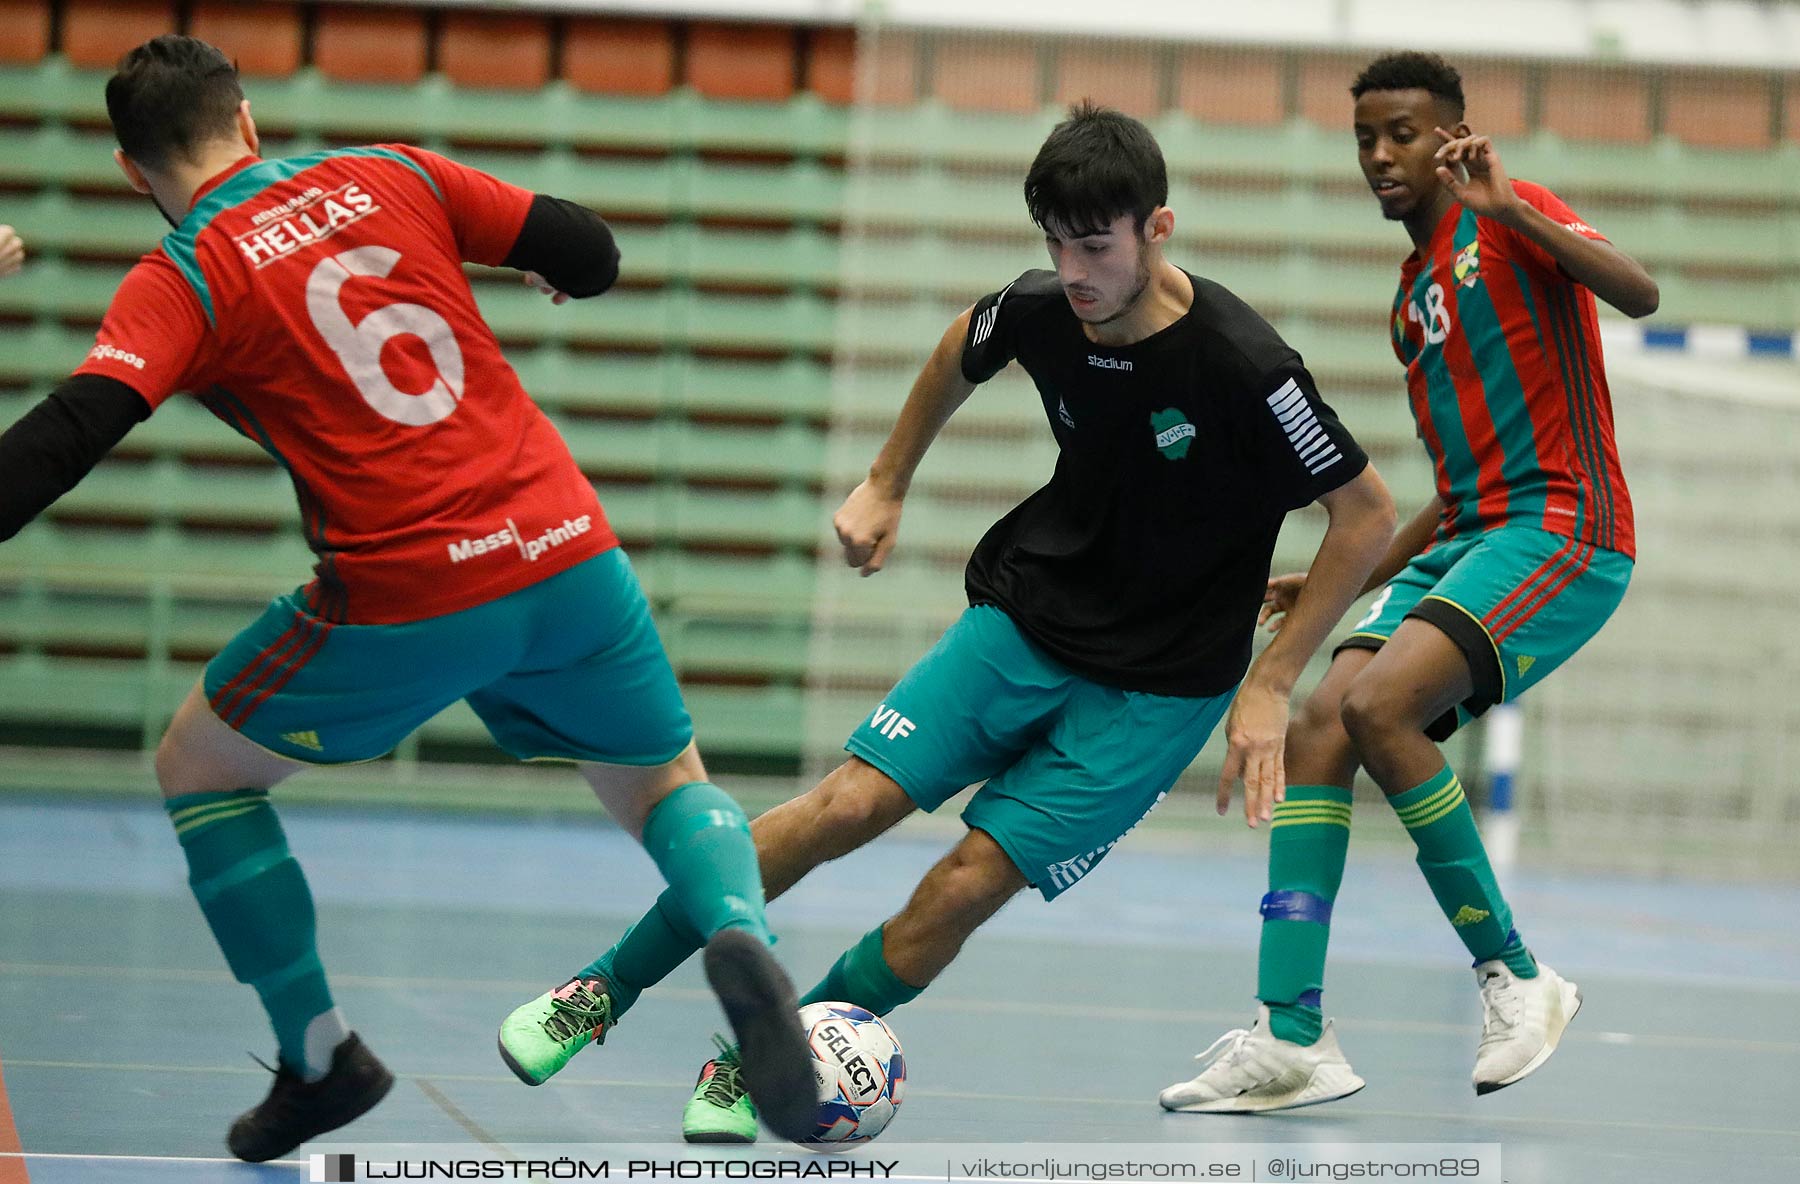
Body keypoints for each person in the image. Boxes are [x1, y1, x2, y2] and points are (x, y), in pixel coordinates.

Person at [494, 100, 1398, 1143]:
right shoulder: (1040, 307)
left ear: (1159, 227)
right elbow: (960, 347)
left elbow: (1365, 513)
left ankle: (768, 1058)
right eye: (1055, 244)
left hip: (1157, 691)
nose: (1073, 270)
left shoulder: (1247, 367)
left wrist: (1273, 680)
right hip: (1028, 617)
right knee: (843, 805)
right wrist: (886, 480)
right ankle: (599, 991)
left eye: (1096, 245)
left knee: (963, 882)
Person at [0, 35, 817, 1160]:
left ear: (131, 172)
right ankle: (738, 929)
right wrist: (553, 269)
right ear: (246, 119)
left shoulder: (184, 271)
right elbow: (588, 250)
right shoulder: (393, 172)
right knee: (667, 784)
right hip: (568, 541)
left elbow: (69, 435)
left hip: (412, 584)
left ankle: (322, 1054)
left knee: (199, 764)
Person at [1159, 50, 1658, 1114]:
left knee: (1384, 703)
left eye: (1404, 133)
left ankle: (1519, 974)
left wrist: (1513, 209)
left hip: (1567, 526)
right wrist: (1334, 587)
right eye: (1366, 139)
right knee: (1321, 722)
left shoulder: (1510, 215)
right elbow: (1457, 485)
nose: (1383, 155)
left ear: (1451, 135)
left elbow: (1642, 292)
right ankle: (1293, 1031)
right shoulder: (1411, 299)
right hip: (1474, 532)